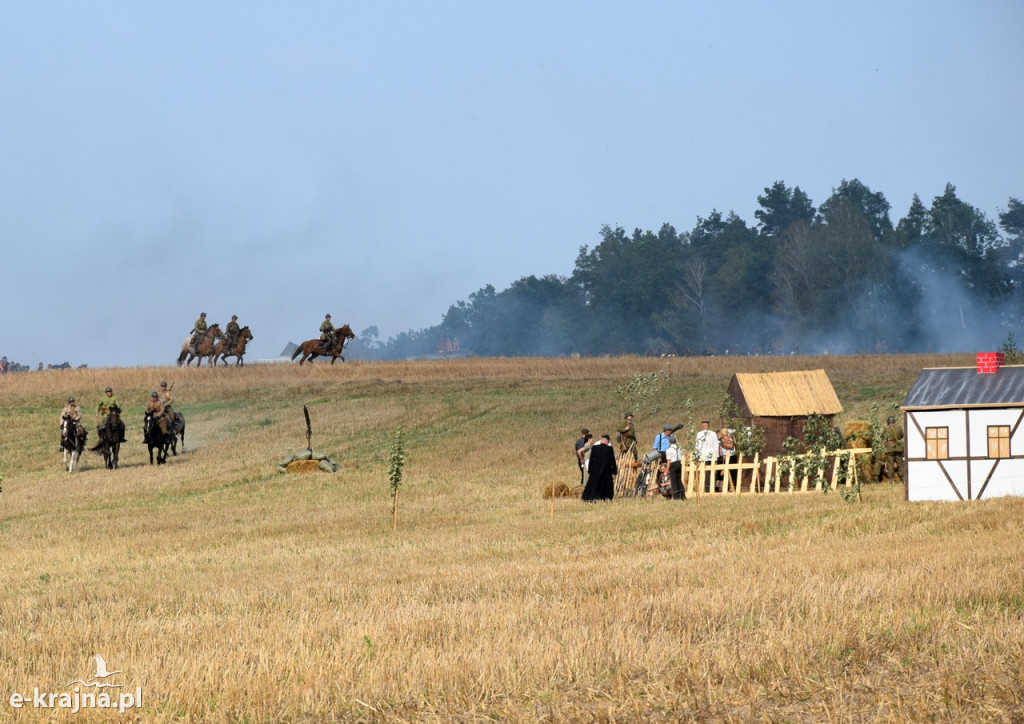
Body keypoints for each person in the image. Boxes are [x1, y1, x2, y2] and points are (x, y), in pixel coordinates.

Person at [582, 434, 617, 501]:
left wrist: (590, 470)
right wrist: (614, 471)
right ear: (607, 442)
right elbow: (613, 460)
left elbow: (591, 459)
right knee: (605, 484)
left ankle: (592, 497)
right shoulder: (609, 449)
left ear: (601, 441)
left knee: (594, 483)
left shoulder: (595, 448)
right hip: (606, 470)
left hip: (595, 469)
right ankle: (605, 497)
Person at [877, 415, 905, 482]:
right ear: (894, 421)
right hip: (898, 447)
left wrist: (886, 428)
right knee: (900, 464)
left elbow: (882, 436)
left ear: (888, 422)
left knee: (890, 464)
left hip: (890, 448)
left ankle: (891, 480)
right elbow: (902, 436)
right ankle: (903, 479)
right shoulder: (899, 428)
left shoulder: (887, 428)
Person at [694, 419, 720, 492]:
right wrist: (716, 456)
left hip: (703, 456)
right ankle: (712, 487)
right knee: (712, 472)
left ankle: (707, 488)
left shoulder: (699, 434)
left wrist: (697, 455)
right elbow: (716, 445)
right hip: (711, 455)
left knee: (705, 472)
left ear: (703, 426)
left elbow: (697, 446)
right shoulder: (713, 433)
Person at [666, 434, 685, 500]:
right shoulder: (679, 449)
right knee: (679, 480)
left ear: (669, 442)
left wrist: (666, 470)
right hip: (679, 463)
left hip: (673, 464)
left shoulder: (669, 450)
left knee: (674, 481)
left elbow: (669, 461)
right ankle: (683, 495)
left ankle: (676, 496)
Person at [718, 427, 737, 492]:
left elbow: (721, 453)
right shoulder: (732, 439)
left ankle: (727, 487)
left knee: (726, 473)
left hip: (725, 457)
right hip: (733, 457)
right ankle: (734, 487)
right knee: (733, 473)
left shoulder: (721, 440)